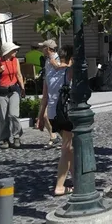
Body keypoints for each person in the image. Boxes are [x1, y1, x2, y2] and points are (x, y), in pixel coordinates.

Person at [37, 44, 73, 196]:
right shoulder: (69, 72)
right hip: (66, 113)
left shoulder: (50, 73)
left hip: (52, 114)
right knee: (67, 148)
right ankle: (60, 186)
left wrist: (40, 117)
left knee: (70, 148)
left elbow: (45, 97)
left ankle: (78, 181)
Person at [0, 42, 25, 149]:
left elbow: (19, 75)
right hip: (1, 92)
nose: (16, 51)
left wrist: (22, 88)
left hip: (14, 90)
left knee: (14, 114)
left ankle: (16, 136)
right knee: (3, 117)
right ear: (7, 52)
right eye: (14, 50)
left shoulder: (15, 60)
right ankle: (5, 139)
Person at [38, 39, 62, 148]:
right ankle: (53, 137)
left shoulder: (58, 58)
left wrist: (56, 65)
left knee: (56, 117)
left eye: (43, 48)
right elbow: (47, 76)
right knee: (45, 115)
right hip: (49, 92)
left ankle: (67, 139)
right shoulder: (47, 60)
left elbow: (64, 71)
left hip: (58, 93)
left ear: (47, 49)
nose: (41, 50)